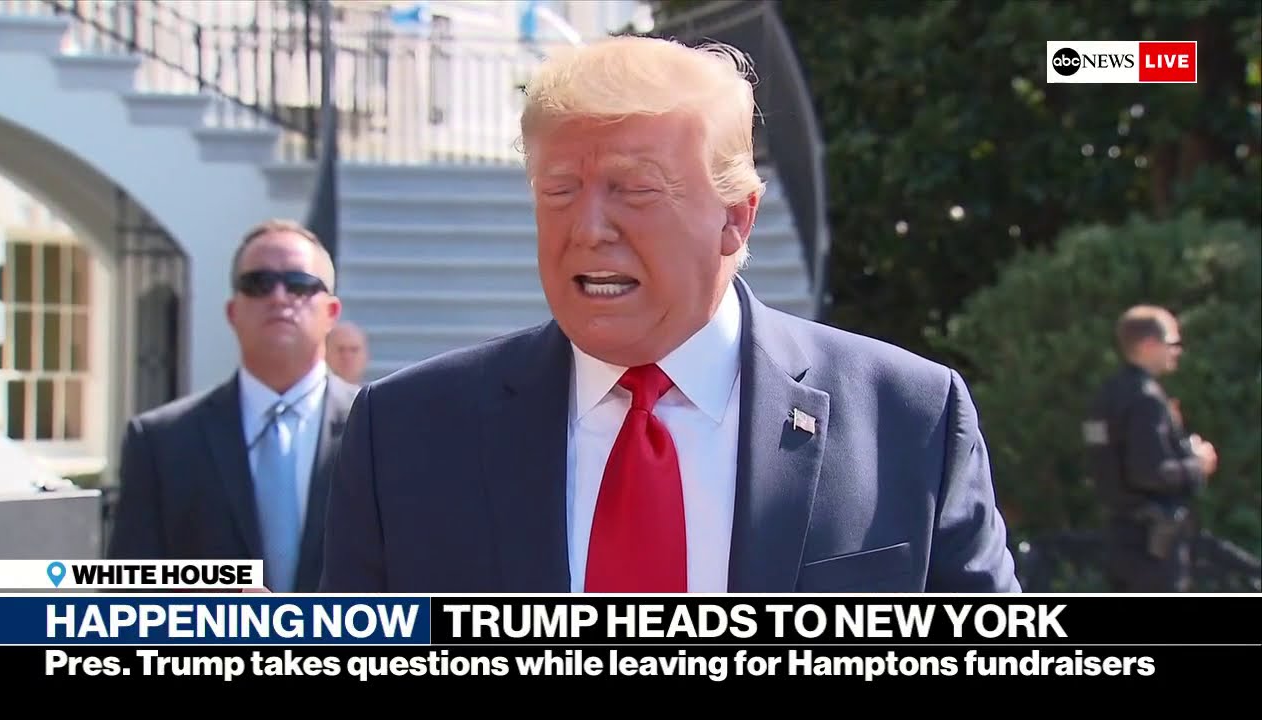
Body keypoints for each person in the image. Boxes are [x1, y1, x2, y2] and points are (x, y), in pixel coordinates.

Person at [320, 35, 1020, 593]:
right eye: (559, 190)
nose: (589, 228)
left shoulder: (908, 418)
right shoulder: (408, 434)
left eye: (635, 189)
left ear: (735, 220)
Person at [108, 219, 361, 593]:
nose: (278, 297)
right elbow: (129, 597)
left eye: (299, 284)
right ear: (232, 311)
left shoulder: (382, 431)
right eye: (258, 284)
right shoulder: (161, 442)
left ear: (332, 312)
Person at [1083, 305, 1217, 592]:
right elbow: (1150, 472)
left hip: (1120, 538)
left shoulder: (1108, 395)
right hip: (1152, 547)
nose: (1177, 351)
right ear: (1148, 345)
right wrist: (1198, 464)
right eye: (1172, 344)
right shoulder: (1146, 399)